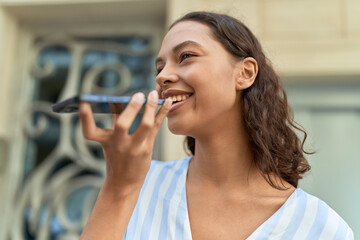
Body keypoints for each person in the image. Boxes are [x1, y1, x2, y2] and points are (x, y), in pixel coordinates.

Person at [78, 11, 354, 240]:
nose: (163, 77)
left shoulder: (321, 228)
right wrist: (118, 187)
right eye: (159, 68)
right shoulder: (137, 185)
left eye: (186, 56)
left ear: (245, 73)